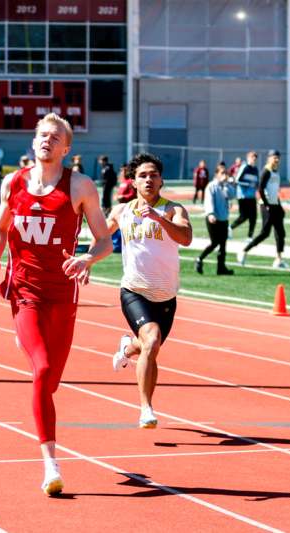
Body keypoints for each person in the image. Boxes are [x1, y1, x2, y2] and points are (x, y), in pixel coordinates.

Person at [0, 114, 113, 496]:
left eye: (55, 137)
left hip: (63, 294)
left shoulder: (80, 186)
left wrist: (88, 259)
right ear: (33, 141)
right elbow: (1, 227)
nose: (47, 140)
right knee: (41, 370)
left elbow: (105, 240)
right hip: (24, 291)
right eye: (42, 134)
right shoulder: (14, 182)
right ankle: (51, 464)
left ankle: (31, 341)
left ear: (66, 148)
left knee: (52, 379)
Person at [107, 153, 193, 430]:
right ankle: (146, 408)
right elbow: (99, 237)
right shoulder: (121, 211)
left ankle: (126, 347)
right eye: (142, 175)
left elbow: (186, 238)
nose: (148, 179)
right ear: (133, 181)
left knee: (146, 346)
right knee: (152, 340)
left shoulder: (173, 210)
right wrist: (83, 259)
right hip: (134, 290)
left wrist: (159, 219)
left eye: (153, 174)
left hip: (166, 295)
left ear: (161, 180)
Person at [237, 150, 290, 268]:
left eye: (278, 158)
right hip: (266, 206)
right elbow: (260, 189)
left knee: (280, 232)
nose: (277, 160)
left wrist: (279, 206)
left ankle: (278, 259)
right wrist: (267, 204)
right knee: (265, 233)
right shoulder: (266, 171)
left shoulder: (276, 172)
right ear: (269, 158)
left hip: (275, 205)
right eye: (274, 157)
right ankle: (243, 251)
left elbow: (274, 191)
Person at [196, 162, 235, 275]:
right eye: (222, 173)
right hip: (213, 219)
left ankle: (221, 267)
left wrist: (227, 184)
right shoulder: (211, 186)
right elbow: (209, 201)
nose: (225, 175)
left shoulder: (225, 186)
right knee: (215, 243)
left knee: (223, 244)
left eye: (225, 173)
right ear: (217, 174)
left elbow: (232, 195)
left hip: (223, 219)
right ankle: (200, 259)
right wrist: (211, 213)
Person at [230, 151, 259, 241]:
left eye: (255, 157)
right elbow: (237, 180)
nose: (254, 159)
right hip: (243, 196)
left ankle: (249, 237)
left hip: (252, 197)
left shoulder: (256, 169)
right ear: (248, 158)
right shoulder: (244, 167)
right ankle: (230, 228)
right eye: (252, 157)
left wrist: (257, 185)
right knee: (244, 216)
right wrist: (248, 184)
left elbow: (256, 182)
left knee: (254, 217)